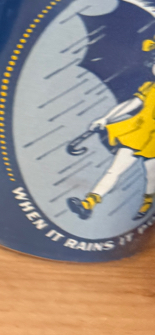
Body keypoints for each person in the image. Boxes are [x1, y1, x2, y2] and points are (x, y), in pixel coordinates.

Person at [68, 41, 155, 221]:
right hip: (137, 132)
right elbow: (131, 104)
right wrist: (106, 118)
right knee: (114, 170)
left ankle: (147, 202)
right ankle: (88, 203)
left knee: (151, 175)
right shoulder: (149, 87)